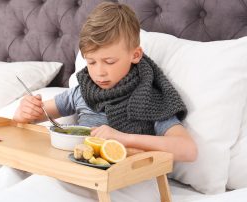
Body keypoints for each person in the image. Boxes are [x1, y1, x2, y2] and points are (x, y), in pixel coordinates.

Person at [13, 2, 197, 162]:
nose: (99, 73)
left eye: (109, 62)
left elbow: (188, 150)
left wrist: (123, 138)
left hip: (120, 179)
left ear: (135, 55)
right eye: (91, 62)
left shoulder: (149, 100)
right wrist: (24, 113)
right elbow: (34, 116)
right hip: (73, 170)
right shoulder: (82, 92)